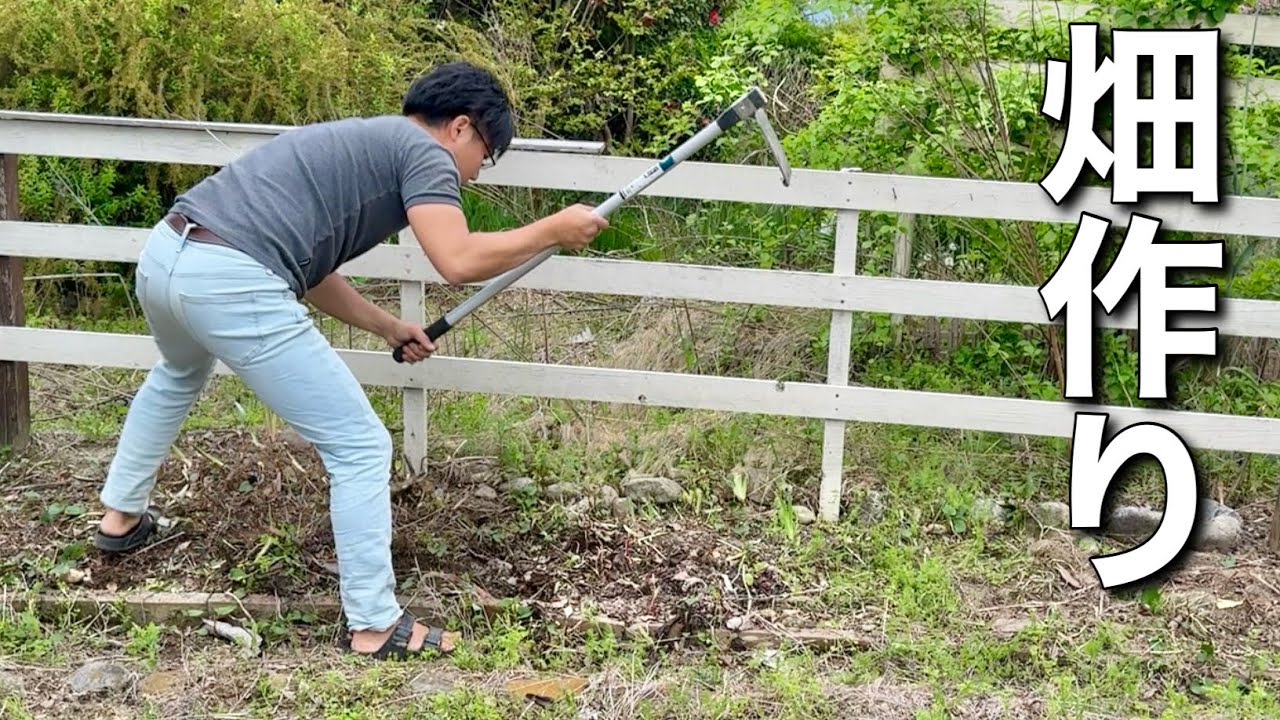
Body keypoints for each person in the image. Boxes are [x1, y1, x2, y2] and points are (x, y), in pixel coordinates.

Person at [89, 61, 608, 660]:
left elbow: (305, 269)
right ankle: (374, 624)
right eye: (485, 156)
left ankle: (119, 519)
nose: (472, 173)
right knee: (360, 445)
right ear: (461, 127)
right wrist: (553, 229)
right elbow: (457, 259)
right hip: (230, 277)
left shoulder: (362, 139)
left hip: (168, 254)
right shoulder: (425, 152)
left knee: (179, 371)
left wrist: (388, 325)